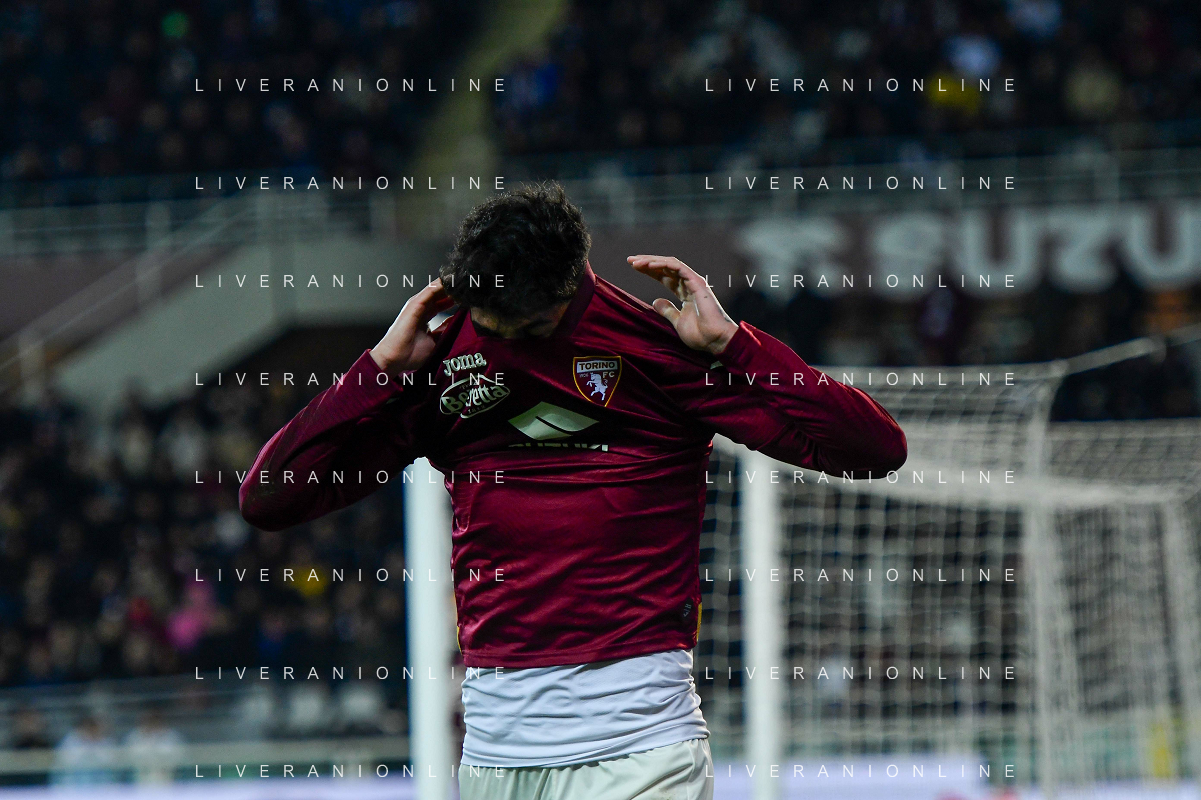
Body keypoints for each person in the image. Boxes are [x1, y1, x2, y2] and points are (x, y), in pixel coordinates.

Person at [240, 182, 906, 800]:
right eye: (488, 325)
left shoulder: (660, 349)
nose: (503, 344)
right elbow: (269, 500)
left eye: (527, 331)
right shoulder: (436, 364)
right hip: (495, 757)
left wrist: (736, 345)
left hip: (641, 748)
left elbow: (875, 450)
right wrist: (377, 369)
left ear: (570, 287)